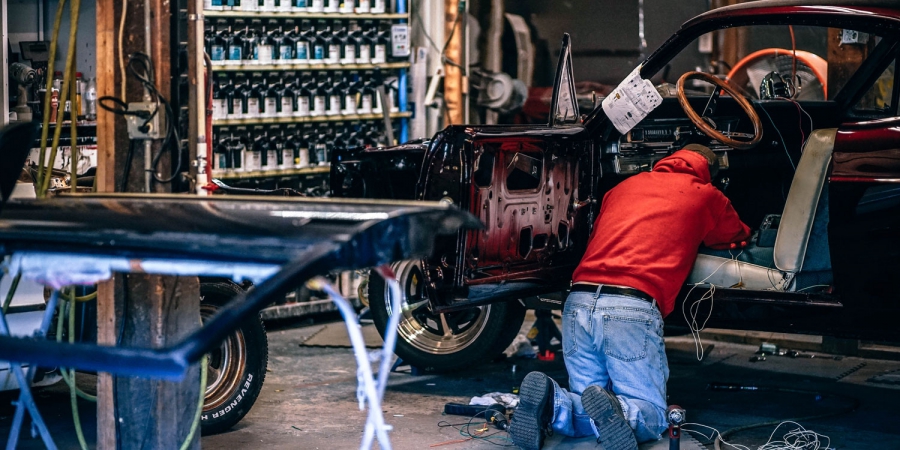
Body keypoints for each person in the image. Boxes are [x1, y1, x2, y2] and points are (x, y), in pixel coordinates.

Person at [509, 145, 751, 450]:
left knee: (590, 408)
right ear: (709, 173)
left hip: (578, 301)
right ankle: (622, 409)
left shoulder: (623, 186)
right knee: (653, 416)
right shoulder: (707, 194)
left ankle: (553, 403)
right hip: (629, 306)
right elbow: (734, 236)